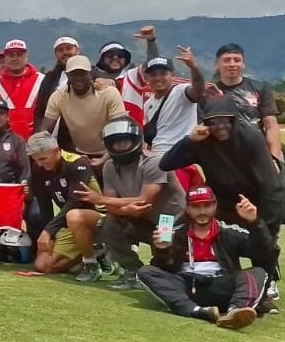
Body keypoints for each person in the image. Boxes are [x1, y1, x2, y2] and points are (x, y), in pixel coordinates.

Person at [160, 96, 283, 302]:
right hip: (221, 203)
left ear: (234, 119)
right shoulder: (200, 142)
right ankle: (190, 272)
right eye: (213, 122)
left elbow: (271, 186)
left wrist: (266, 228)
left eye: (225, 120)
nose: (220, 127)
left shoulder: (250, 137)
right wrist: (188, 140)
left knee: (263, 242)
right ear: (204, 122)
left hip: (255, 203)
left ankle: (267, 280)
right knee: (188, 228)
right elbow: (166, 164)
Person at [137, 187, 272, 329]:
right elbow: (162, 269)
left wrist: (255, 223)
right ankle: (198, 312)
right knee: (145, 272)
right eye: (196, 206)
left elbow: (264, 254)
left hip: (221, 285)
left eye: (207, 205)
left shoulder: (229, 231)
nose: (202, 212)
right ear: (187, 208)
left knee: (257, 272)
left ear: (215, 206)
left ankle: (236, 311)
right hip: (186, 287)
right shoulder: (175, 233)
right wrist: (163, 249)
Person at [74, 117, 185, 290]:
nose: (120, 145)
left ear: (135, 139)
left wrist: (101, 199)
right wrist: (126, 210)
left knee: (166, 269)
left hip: (170, 222)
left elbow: (144, 200)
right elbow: (113, 207)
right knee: (109, 223)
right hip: (140, 219)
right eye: (115, 142)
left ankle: (164, 267)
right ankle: (132, 271)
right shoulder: (109, 166)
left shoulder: (154, 162)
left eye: (124, 140)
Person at [25, 131, 104, 280]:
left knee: (73, 216)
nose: (40, 164)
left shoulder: (78, 163)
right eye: (35, 160)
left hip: (97, 219)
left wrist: (48, 232)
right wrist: (50, 235)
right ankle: (95, 253)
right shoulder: (38, 168)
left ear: (56, 151)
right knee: (43, 265)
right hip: (69, 223)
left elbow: (75, 202)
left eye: (42, 159)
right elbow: (44, 205)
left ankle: (91, 263)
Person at [40, 54, 128, 162]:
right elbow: (45, 130)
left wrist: (103, 159)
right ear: (67, 75)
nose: (78, 78)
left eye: (82, 74)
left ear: (90, 74)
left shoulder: (108, 93)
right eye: (73, 74)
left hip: (112, 153)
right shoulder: (59, 96)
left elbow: (121, 130)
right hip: (80, 153)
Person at [212, 43, 282, 161]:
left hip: (258, 151)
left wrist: (274, 158)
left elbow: (271, 125)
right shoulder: (210, 92)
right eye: (227, 60)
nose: (232, 64)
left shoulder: (260, 88)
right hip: (225, 156)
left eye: (237, 60)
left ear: (243, 64)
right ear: (216, 64)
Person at [142, 48, 205, 155]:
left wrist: (193, 67)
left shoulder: (181, 91)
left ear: (173, 75)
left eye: (163, 73)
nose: (158, 78)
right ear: (147, 78)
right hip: (157, 157)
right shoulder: (148, 104)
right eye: (153, 74)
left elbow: (198, 89)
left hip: (181, 155)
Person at [0, 39, 43, 138]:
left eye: (19, 55)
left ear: (26, 56)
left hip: (36, 142)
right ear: (5, 58)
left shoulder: (42, 80)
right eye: (11, 55)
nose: (15, 58)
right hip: (3, 142)